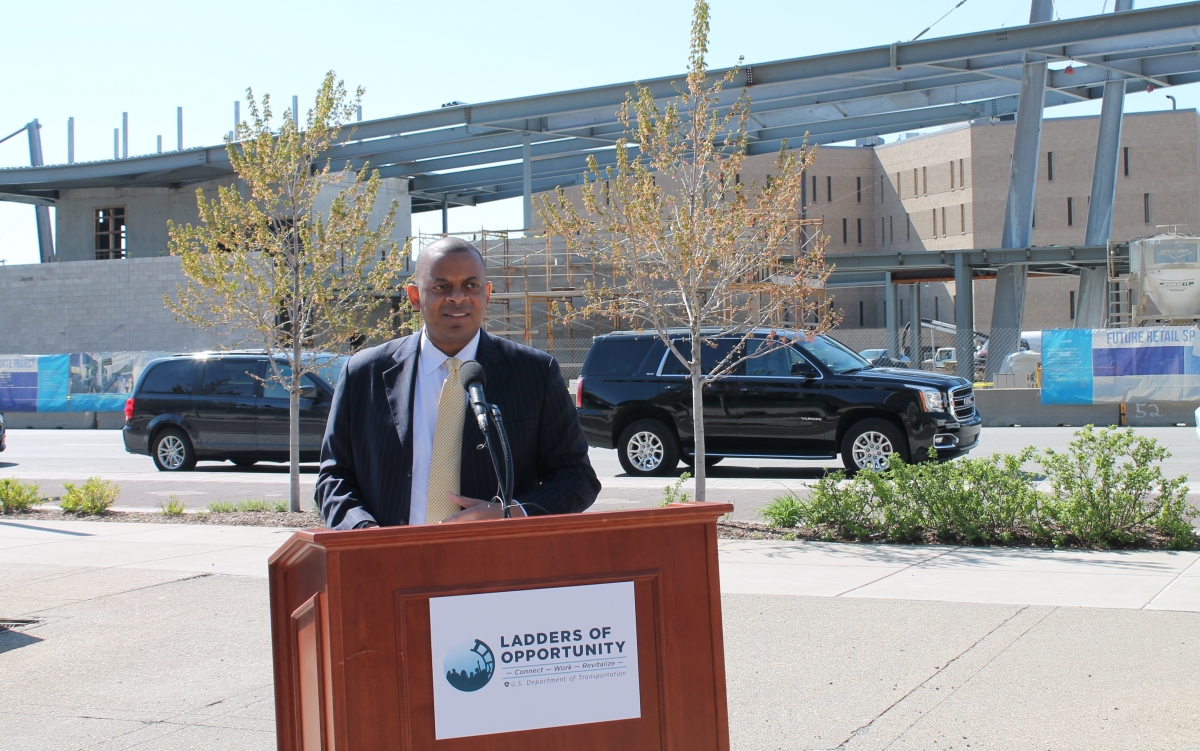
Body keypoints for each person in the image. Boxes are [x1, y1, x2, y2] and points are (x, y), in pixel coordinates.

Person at [316, 237, 600, 529]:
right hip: (388, 562)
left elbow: (577, 477)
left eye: (471, 285)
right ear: (414, 296)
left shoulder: (535, 373)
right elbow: (333, 478)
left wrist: (510, 513)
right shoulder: (364, 373)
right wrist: (364, 533)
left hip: (494, 564)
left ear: (487, 294)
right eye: (441, 287)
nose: (457, 297)